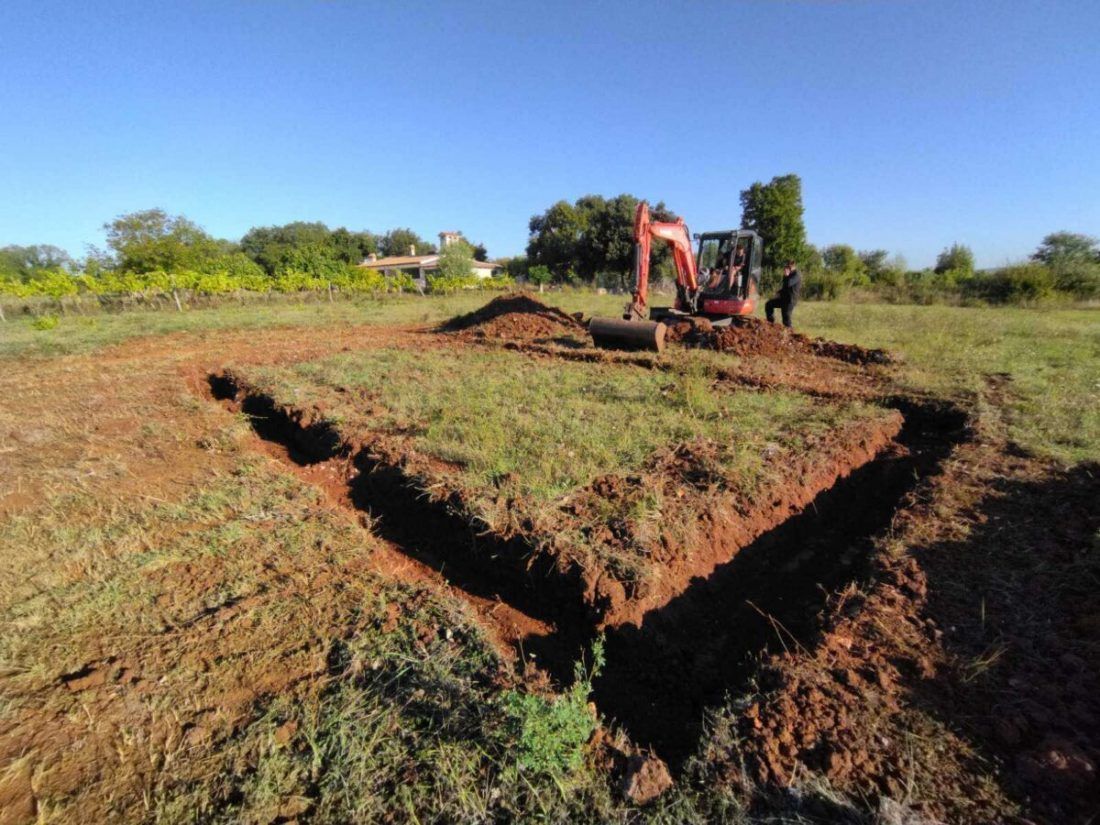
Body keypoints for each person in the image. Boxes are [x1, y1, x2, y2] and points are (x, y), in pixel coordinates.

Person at [765, 259, 801, 328]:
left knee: (786, 318)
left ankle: (790, 332)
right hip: (784, 298)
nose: (786, 268)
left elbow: (788, 284)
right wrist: (779, 293)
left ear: (792, 266)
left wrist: (786, 275)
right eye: (786, 266)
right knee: (769, 304)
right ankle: (770, 324)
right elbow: (785, 287)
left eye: (788, 266)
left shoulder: (796, 274)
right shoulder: (788, 274)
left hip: (790, 300)